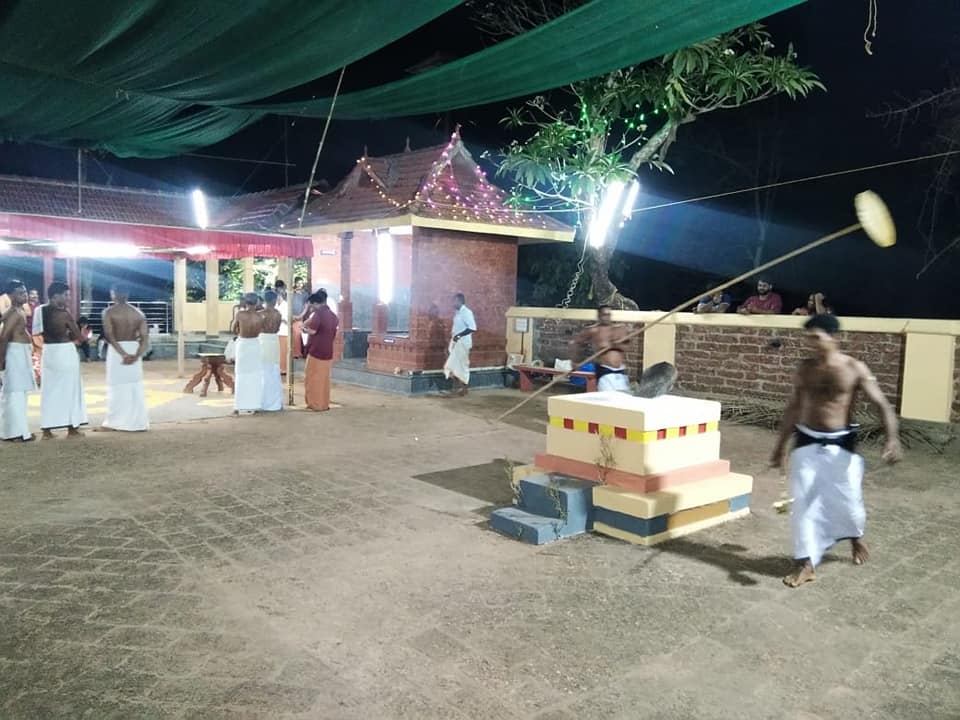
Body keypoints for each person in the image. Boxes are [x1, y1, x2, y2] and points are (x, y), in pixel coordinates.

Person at [770, 314, 902, 588]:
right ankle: (805, 563)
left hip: (842, 443)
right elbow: (794, 407)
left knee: (849, 502)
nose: (811, 343)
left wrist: (892, 439)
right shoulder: (806, 368)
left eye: (817, 337)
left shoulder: (854, 368)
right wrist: (780, 445)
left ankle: (855, 536)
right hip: (806, 440)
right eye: (808, 338)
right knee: (802, 503)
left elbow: (882, 405)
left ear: (834, 337)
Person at [38, 281, 88, 438]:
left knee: (49, 390)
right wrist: (83, 335)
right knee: (70, 390)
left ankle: (47, 430)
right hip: (64, 352)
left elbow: (37, 333)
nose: (69, 298)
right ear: (55, 296)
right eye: (66, 295)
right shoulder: (64, 313)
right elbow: (78, 337)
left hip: (48, 352)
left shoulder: (40, 310)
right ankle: (72, 428)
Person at [98, 283, 150, 432]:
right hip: (133, 349)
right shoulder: (138, 313)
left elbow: (109, 335)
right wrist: (136, 355)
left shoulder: (109, 312)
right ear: (127, 294)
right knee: (134, 386)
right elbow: (145, 338)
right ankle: (137, 422)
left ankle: (114, 421)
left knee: (116, 386)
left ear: (113, 294)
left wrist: (122, 354)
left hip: (117, 351)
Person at [0, 282, 37, 441]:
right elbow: (4, 337)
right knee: (15, 393)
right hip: (15, 355)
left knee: (18, 394)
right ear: (10, 295)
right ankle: (16, 433)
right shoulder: (14, 313)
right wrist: (1, 360)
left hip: (20, 354)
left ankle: (14, 431)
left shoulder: (17, 311)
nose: (25, 295)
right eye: (21, 293)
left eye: (25, 292)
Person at [570, 305, 633, 392]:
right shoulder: (594, 330)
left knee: (623, 401)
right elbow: (575, 342)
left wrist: (617, 345)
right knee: (607, 402)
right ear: (599, 316)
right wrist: (575, 361)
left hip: (620, 372)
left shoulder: (619, 329)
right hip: (605, 372)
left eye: (608, 315)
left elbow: (628, 347)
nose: (607, 317)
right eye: (604, 315)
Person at [302, 289, 339, 411]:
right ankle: (323, 403)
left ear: (316, 303)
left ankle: (315, 403)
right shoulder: (333, 316)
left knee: (312, 378)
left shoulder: (318, 314)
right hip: (328, 351)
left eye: (312, 305)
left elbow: (312, 330)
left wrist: (304, 329)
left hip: (316, 351)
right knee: (324, 380)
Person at [231, 293, 264, 415]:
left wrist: (239, 331)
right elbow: (261, 330)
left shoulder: (240, 314)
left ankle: (239, 405)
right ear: (257, 303)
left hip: (243, 344)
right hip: (255, 344)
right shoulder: (261, 316)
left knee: (241, 374)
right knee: (254, 375)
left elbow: (233, 329)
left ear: (245, 302)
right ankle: (254, 404)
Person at [442, 292, 477, 397]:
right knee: (453, 365)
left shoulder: (467, 312)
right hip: (456, 342)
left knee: (462, 365)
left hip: (463, 343)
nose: (453, 304)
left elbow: (472, 328)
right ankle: (456, 388)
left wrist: (459, 335)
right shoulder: (458, 313)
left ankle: (464, 388)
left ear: (459, 301)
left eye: (454, 301)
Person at [258, 290, 284, 412]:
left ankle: (263, 402)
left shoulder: (260, 314)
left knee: (263, 371)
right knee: (274, 371)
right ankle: (275, 402)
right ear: (274, 300)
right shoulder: (278, 314)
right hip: (273, 340)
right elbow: (278, 328)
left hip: (263, 339)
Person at [274, 279, 290, 375]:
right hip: (275, 331)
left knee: (283, 352)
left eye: (279, 296)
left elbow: (288, 320)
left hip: (284, 331)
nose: (278, 297)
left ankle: (284, 369)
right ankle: (278, 368)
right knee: (277, 352)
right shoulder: (275, 305)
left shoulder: (286, 305)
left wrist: (282, 319)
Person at [290, 277, 310, 359]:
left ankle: (297, 353)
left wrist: (300, 316)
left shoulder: (305, 294)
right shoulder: (291, 293)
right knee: (291, 336)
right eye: (298, 283)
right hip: (290, 317)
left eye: (301, 283)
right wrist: (291, 315)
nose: (300, 284)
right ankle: (291, 353)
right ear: (295, 283)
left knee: (297, 335)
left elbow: (306, 307)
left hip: (299, 317)